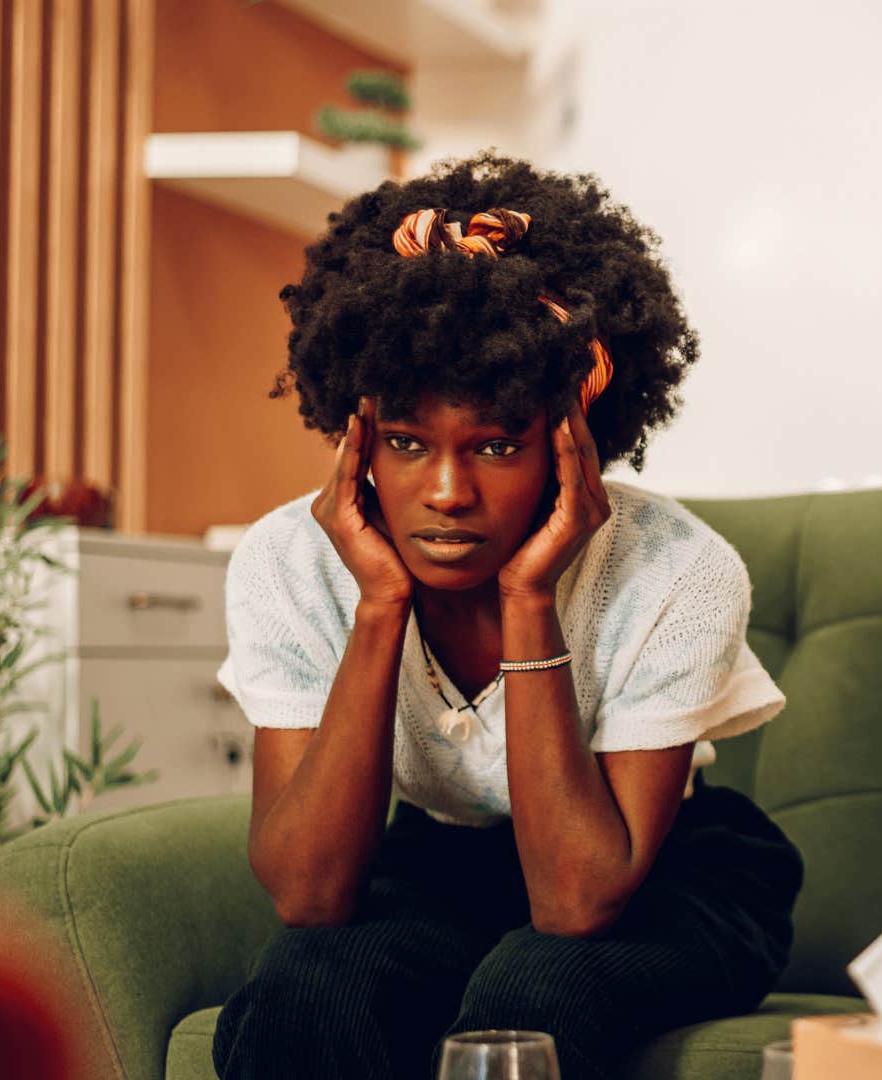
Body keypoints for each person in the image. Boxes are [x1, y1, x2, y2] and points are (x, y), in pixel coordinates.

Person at [210, 153, 802, 1079]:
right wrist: (379, 606)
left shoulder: (678, 572)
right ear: (357, 436)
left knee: (534, 998)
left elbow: (575, 903)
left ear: (571, 441)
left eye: (496, 444)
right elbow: (309, 895)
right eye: (406, 443)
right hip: (444, 864)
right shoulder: (289, 562)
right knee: (307, 993)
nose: (447, 492)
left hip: (663, 877)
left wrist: (530, 599)